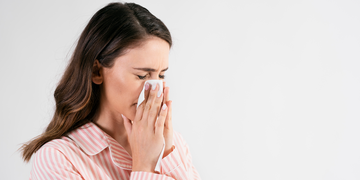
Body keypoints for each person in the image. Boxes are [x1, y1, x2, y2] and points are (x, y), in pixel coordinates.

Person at [20, 2, 201, 180]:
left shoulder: (175, 144)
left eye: (161, 76)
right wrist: (144, 166)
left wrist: (167, 152)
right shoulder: (58, 159)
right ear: (96, 71)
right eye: (142, 76)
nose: (155, 91)